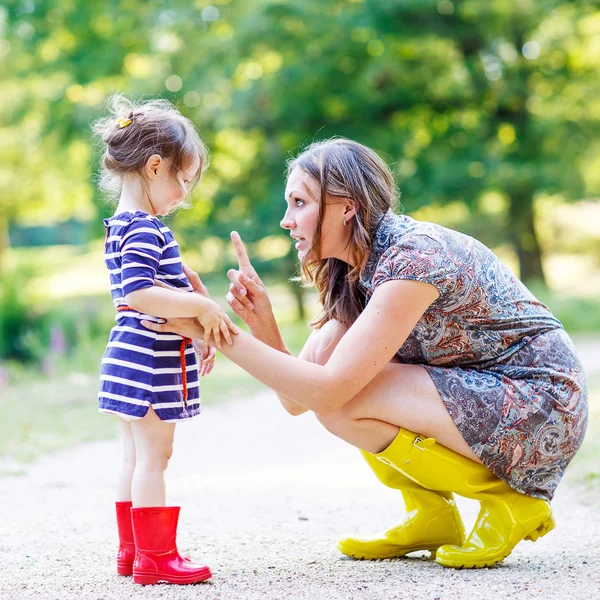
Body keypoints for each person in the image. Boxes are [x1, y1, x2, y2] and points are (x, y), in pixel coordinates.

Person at [143, 138, 588, 569]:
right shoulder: (360, 269)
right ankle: (432, 517)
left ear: (347, 207)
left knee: (347, 399)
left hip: (541, 404)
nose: (286, 220)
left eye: (299, 203)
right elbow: (297, 398)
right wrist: (261, 323)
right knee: (340, 394)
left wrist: (217, 330)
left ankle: (508, 502)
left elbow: (329, 393)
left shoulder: (412, 259)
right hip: (501, 401)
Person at [93, 95, 238, 585]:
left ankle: (131, 552)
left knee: (135, 456)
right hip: (148, 364)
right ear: (155, 167)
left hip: (129, 356)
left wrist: (196, 323)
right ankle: (155, 559)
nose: (184, 194)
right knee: (156, 456)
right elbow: (139, 291)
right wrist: (201, 307)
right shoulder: (146, 228)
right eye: (183, 179)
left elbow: (155, 291)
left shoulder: (121, 226)